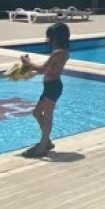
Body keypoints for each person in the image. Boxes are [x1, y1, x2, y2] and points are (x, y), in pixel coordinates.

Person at [19, 22, 70, 158]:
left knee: (47, 117)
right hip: (51, 86)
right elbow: (49, 70)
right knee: (36, 113)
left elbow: (43, 69)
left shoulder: (58, 53)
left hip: (52, 87)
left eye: (51, 37)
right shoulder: (63, 52)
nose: (49, 41)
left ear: (56, 38)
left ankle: (42, 147)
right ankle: (46, 141)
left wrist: (27, 63)